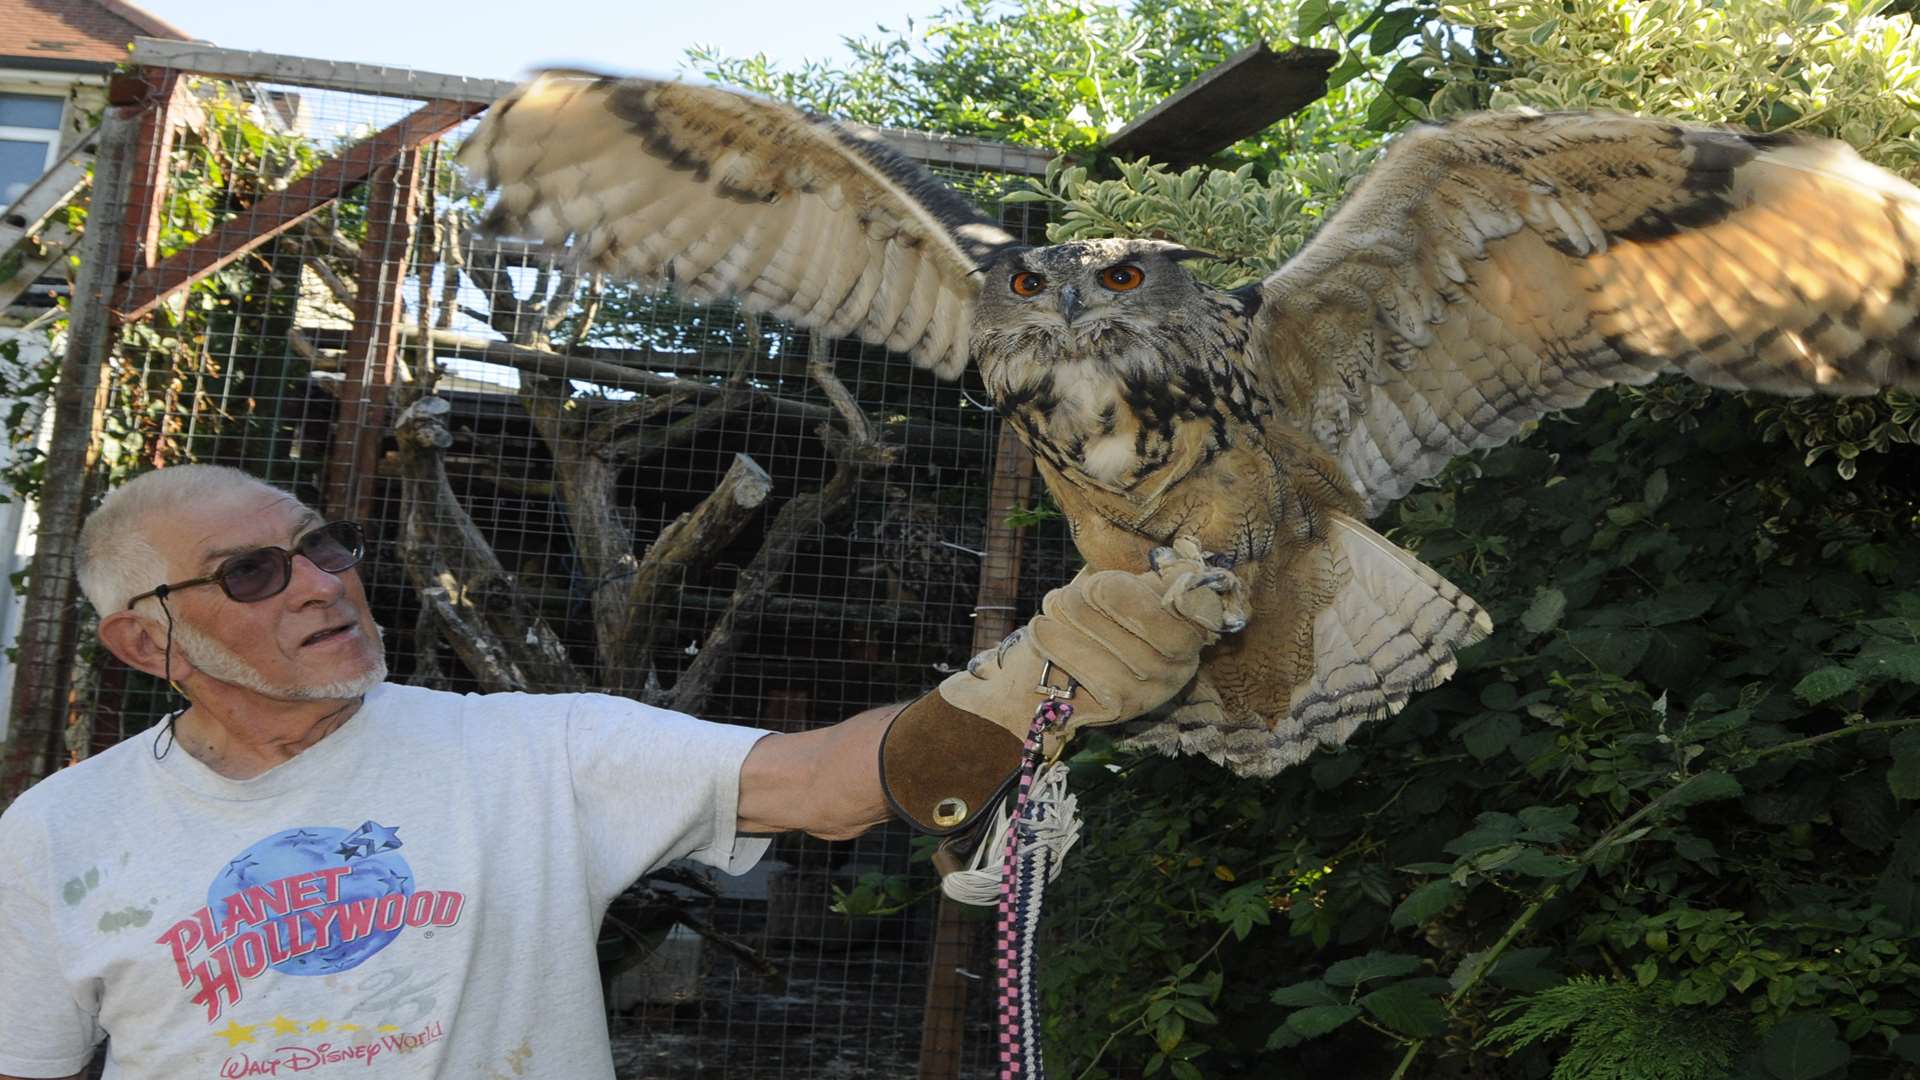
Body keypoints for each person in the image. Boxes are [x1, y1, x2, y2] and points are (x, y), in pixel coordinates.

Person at [0, 464, 1245, 1079]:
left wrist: (1048, 672)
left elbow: (823, 781)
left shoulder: (540, 752)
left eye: (320, 544)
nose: (324, 581)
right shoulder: (62, 834)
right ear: (145, 639)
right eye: (253, 573)